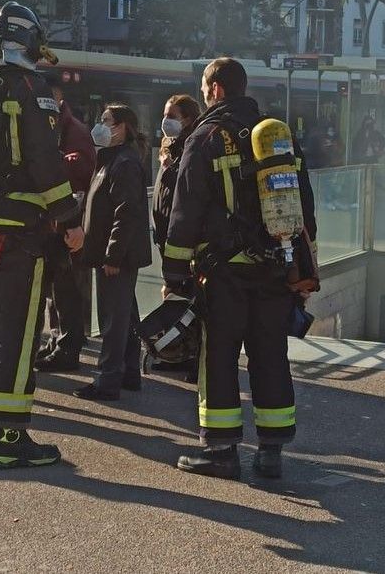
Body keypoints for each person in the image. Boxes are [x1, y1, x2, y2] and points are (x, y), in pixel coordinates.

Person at [161, 57, 318, 480]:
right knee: (270, 354)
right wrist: (301, 269)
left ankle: (221, 450)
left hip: (224, 272)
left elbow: (185, 212)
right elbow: (304, 206)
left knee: (220, 355)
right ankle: (271, 454)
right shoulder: (277, 136)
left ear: (214, 90)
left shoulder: (206, 137)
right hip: (275, 268)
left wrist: (174, 275)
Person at [0, 2, 84, 469]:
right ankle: (7, 437)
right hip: (19, 233)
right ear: (27, 40)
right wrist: (69, 220)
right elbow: (45, 162)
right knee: (18, 331)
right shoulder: (30, 87)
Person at [72, 104, 152, 400]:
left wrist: (113, 255)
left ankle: (108, 380)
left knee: (113, 319)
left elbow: (126, 213)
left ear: (122, 128)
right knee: (125, 316)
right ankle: (129, 373)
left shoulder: (123, 163)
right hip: (114, 254)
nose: (100, 126)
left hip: (116, 257)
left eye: (106, 121)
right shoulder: (112, 159)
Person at [35, 74, 97, 373]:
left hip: (66, 222)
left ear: (59, 97)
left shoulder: (73, 129)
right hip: (51, 223)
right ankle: (56, 342)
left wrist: (51, 160)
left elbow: (82, 167)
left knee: (66, 290)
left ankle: (68, 347)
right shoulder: (53, 124)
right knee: (54, 291)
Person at [151, 94, 202, 380]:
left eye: (172, 115)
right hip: (165, 235)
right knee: (174, 297)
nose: (166, 120)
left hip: (182, 239)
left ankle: (192, 357)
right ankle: (177, 353)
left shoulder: (193, 148)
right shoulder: (169, 146)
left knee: (188, 298)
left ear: (188, 118)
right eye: (165, 113)